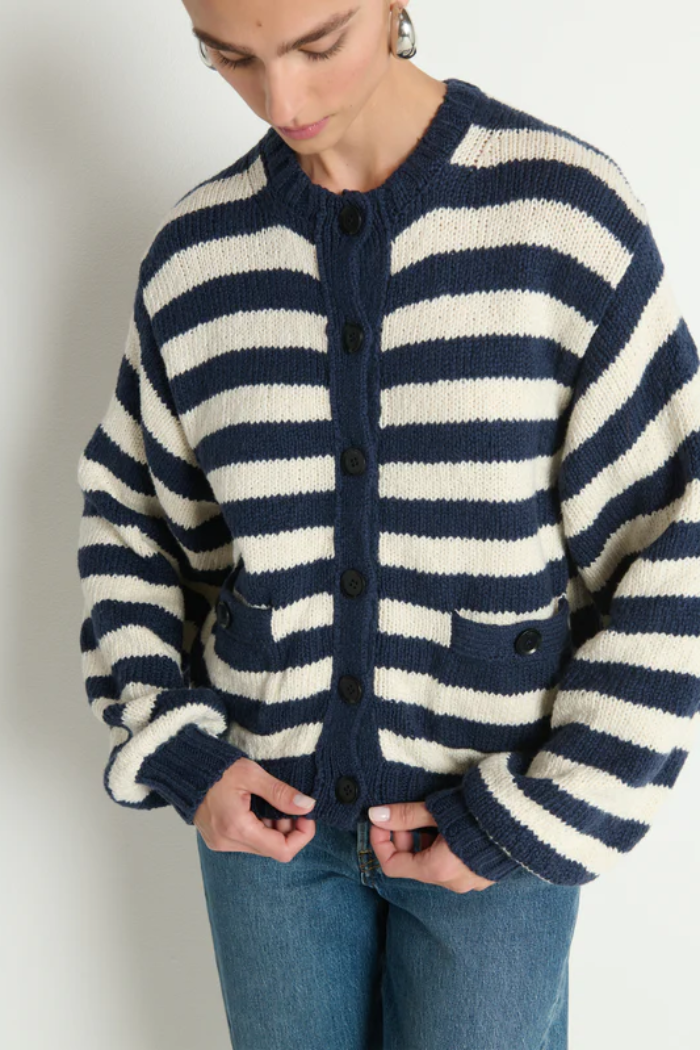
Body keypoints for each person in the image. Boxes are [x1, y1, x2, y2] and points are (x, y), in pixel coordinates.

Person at [75, 2, 700, 1048]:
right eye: (229, 57)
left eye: (317, 43)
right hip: (266, 828)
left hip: (497, 823)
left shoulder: (562, 219)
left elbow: (675, 536)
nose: (282, 99)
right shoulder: (196, 258)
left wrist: (551, 807)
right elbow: (130, 518)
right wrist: (182, 753)